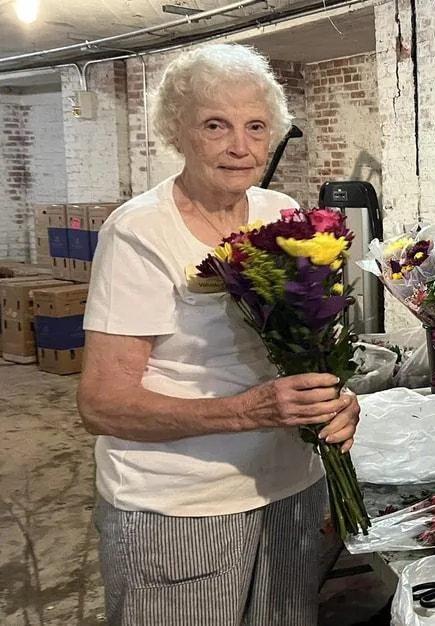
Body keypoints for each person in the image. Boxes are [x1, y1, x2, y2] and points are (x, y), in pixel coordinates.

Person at [77, 43, 360, 626]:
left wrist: (335, 400)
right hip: (181, 509)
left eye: (256, 127)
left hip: (288, 490)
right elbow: (102, 404)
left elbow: (301, 344)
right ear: (178, 132)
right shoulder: (139, 233)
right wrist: (246, 412)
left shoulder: (279, 212)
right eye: (216, 125)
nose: (240, 146)